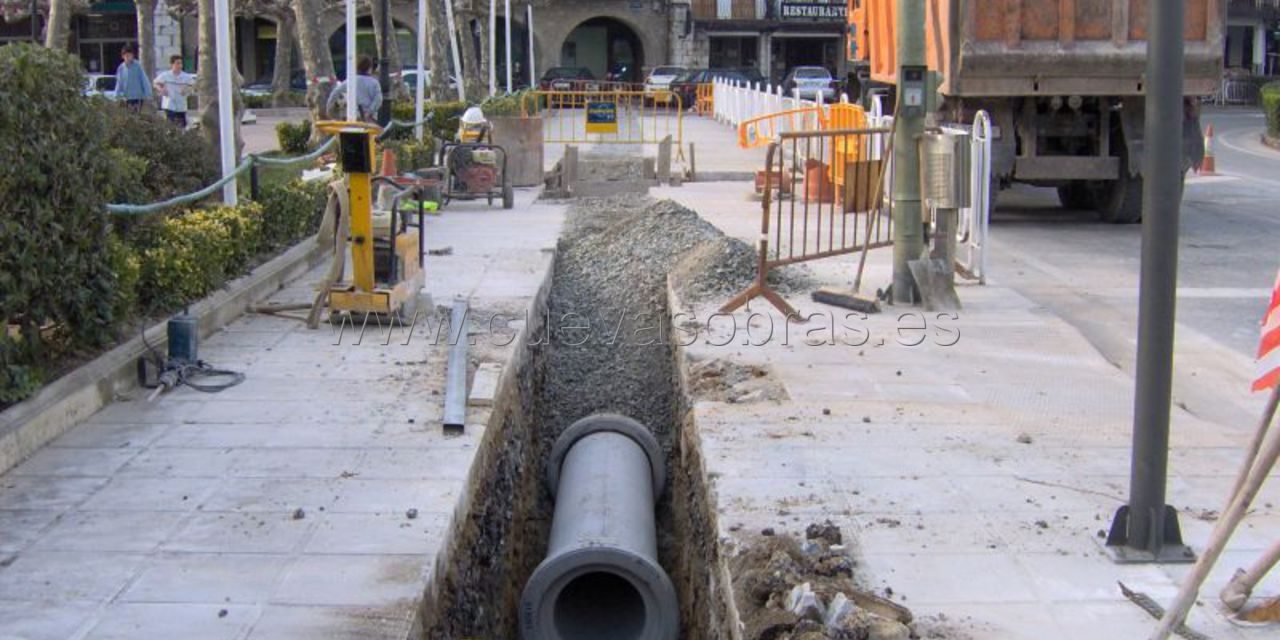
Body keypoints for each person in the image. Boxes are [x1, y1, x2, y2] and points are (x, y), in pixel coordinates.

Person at [326, 55, 383, 122]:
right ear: (370, 68)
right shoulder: (374, 83)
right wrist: (369, 111)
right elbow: (378, 99)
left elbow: (336, 92)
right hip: (368, 119)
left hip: (351, 117)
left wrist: (329, 110)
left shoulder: (350, 81)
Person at [153, 55, 195, 128]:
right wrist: (161, 89)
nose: (179, 66)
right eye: (177, 63)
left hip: (181, 105)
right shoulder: (165, 75)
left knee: (181, 127)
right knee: (170, 127)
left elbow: (193, 86)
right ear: (172, 64)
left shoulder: (186, 77)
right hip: (169, 105)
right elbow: (155, 83)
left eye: (181, 63)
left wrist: (187, 90)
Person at [115, 43, 152, 111]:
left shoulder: (138, 66)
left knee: (136, 115)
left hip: (137, 97)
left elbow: (144, 80)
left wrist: (148, 94)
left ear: (133, 56)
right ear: (123, 56)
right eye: (126, 56)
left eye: (130, 55)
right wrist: (117, 95)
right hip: (127, 97)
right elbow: (119, 83)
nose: (128, 57)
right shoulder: (121, 68)